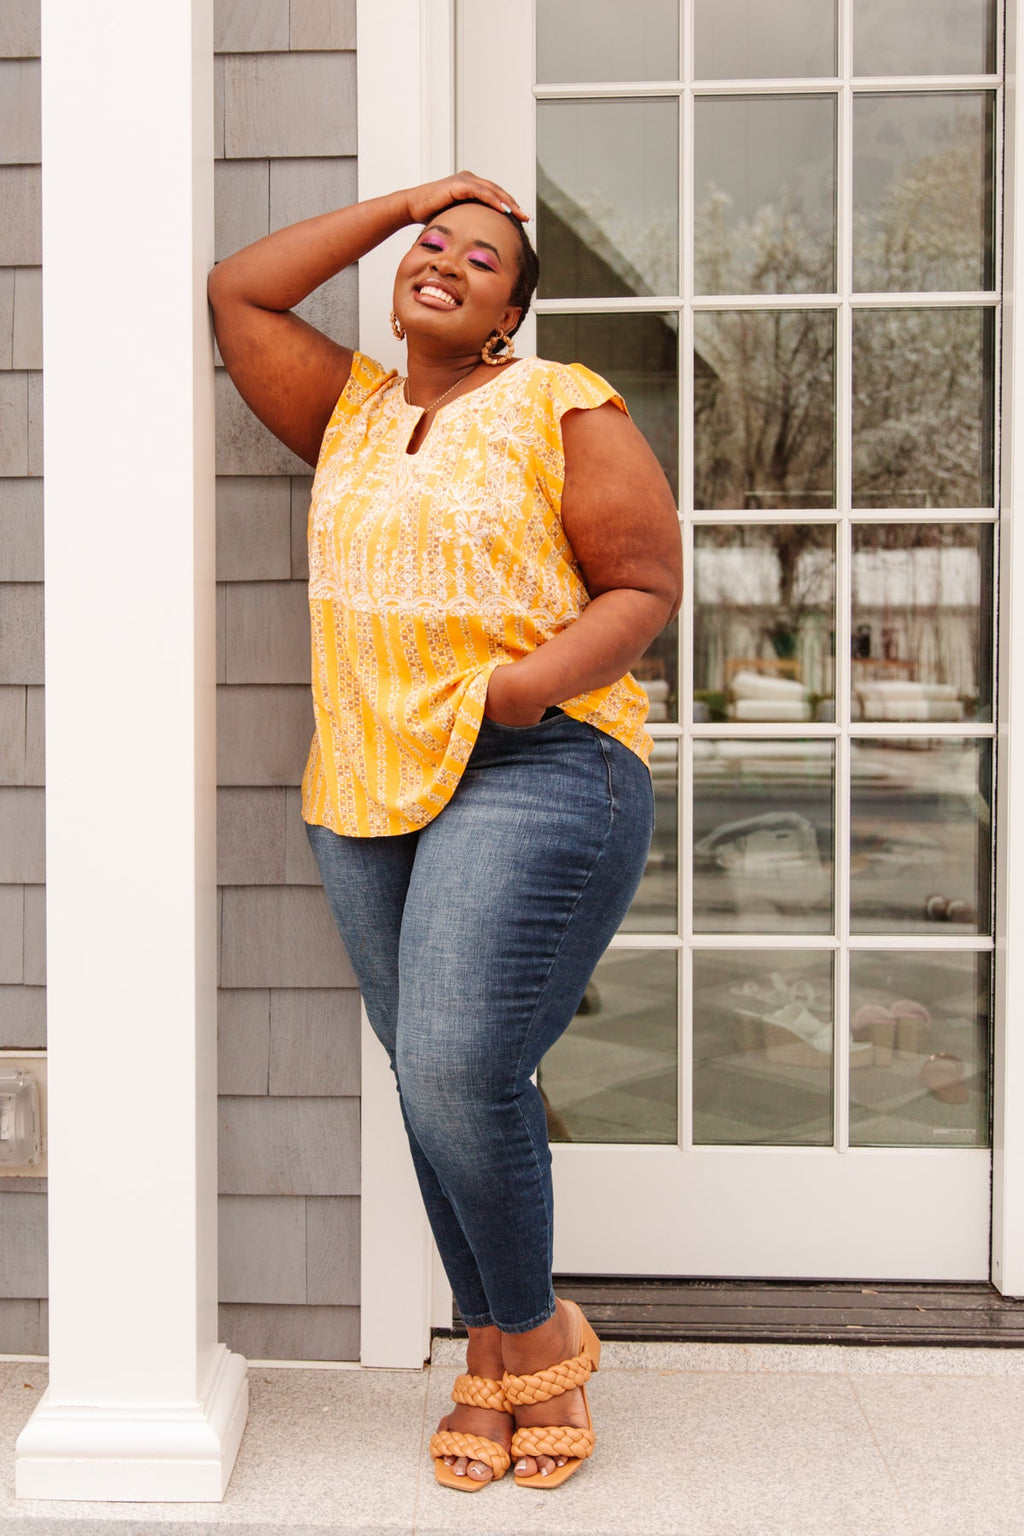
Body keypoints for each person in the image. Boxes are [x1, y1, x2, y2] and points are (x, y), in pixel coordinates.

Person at [208, 171, 682, 1492]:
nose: (446, 258)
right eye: (433, 243)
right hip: (364, 783)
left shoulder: (557, 401)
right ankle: (494, 1346)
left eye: (482, 259)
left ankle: (530, 1345)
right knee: (434, 1076)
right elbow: (238, 289)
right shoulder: (351, 410)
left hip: (537, 760)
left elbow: (646, 581)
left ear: (510, 316)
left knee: (462, 1059)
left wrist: (524, 686)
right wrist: (405, 197)